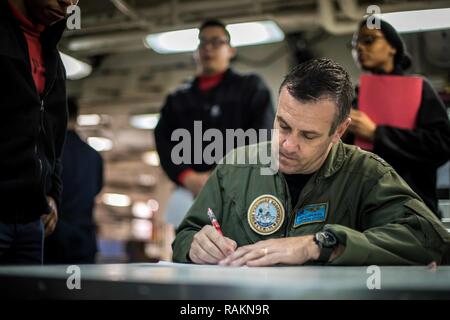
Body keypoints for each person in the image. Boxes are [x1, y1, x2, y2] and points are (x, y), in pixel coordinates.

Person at [172, 58, 450, 266]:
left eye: (308, 135)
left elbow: (432, 240)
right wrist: (194, 245)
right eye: (283, 125)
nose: (288, 145)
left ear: (339, 130)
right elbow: (186, 234)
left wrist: (321, 244)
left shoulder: (367, 174)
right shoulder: (235, 166)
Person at [155, 19, 275, 227]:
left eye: (216, 42)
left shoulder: (251, 89)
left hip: (239, 196)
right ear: (196, 51)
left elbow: (262, 137)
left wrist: (222, 175)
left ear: (231, 50)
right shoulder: (178, 99)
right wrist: (187, 176)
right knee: (190, 249)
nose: (208, 48)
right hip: (190, 196)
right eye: (203, 42)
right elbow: (164, 141)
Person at [345, 19, 450, 217]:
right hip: (366, 212)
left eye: (368, 40)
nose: (359, 47)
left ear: (392, 46)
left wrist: (377, 134)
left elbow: (441, 145)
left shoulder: (419, 88)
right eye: (354, 44)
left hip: (415, 209)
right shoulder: (352, 99)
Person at [0, 0, 75, 265]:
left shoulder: (52, 58)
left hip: (32, 223)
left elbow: (53, 138)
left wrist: (53, 193)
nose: (69, 2)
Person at [45, 97, 103, 264]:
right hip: (84, 239)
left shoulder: (51, 153)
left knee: (51, 289)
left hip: (53, 236)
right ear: (77, 117)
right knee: (79, 288)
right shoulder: (94, 156)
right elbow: (97, 189)